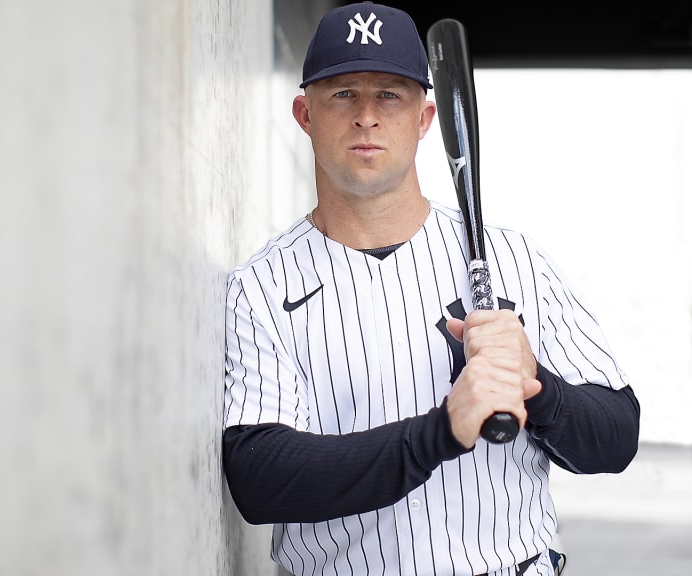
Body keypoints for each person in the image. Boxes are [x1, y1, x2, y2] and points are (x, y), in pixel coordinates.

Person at [220, 2, 640, 575]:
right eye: (343, 93)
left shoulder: (515, 259)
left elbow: (616, 440)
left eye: (389, 95)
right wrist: (442, 431)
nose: (367, 115)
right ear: (304, 114)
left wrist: (534, 386)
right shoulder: (262, 285)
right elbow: (261, 479)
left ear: (424, 119)